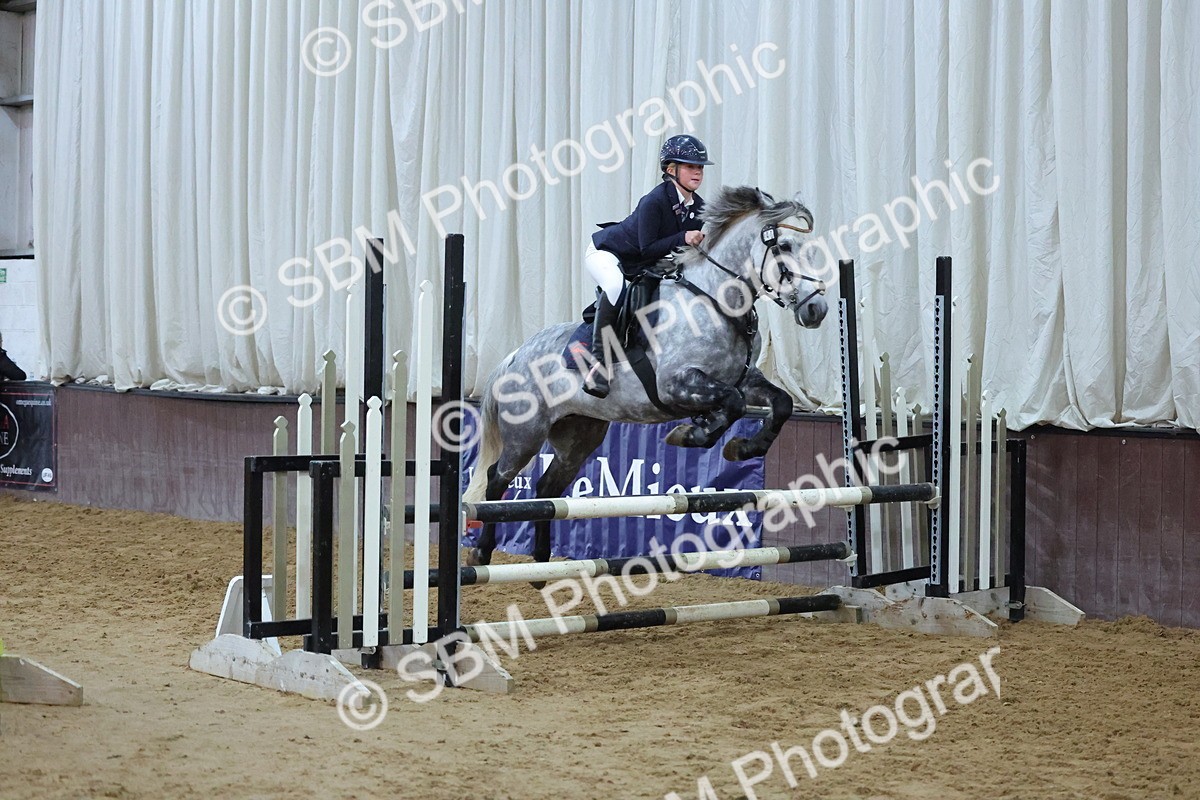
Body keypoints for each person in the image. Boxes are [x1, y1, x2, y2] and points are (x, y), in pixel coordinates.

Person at [582, 133, 713, 398]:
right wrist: (683, 237)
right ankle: (599, 363)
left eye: (699, 167)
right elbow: (648, 248)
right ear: (670, 169)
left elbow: (677, 251)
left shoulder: (699, 207)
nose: (697, 172)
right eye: (690, 166)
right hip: (610, 254)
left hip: (644, 263)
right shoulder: (654, 201)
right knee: (615, 286)